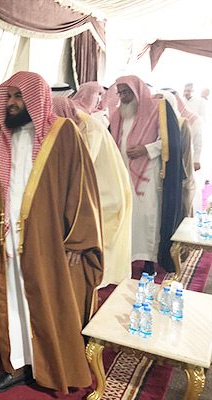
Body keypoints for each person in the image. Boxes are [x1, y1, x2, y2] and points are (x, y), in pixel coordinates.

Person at [0, 71, 103, 394]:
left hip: (47, 240)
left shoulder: (63, 133)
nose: (10, 103)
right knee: (10, 301)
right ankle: (17, 364)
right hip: (6, 236)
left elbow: (81, 187)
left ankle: (49, 367)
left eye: (18, 96)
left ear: (36, 98)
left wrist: (78, 240)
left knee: (45, 302)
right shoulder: (1, 135)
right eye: (8, 96)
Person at [52, 97, 132, 287]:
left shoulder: (89, 127)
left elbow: (82, 163)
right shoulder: (75, 125)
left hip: (105, 192)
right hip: (91, 188)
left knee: (99, 239)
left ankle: (97, 282)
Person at [110, 76, 183, 276]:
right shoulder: (118, 114)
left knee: (146, 217)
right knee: (125, 216)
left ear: (137, 90)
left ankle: (149, 259)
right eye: (120, 93)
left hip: (147, 174)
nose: (123, 97)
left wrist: (146, 149)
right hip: (122, 171)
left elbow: (169, 141)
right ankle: (125, 256)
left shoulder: (157, 109)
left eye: (126, 92)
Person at [158, 89, 196, 218]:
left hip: (178, 176)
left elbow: (185, 155)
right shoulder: (150, 125)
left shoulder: (181, 123)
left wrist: (182, 181)